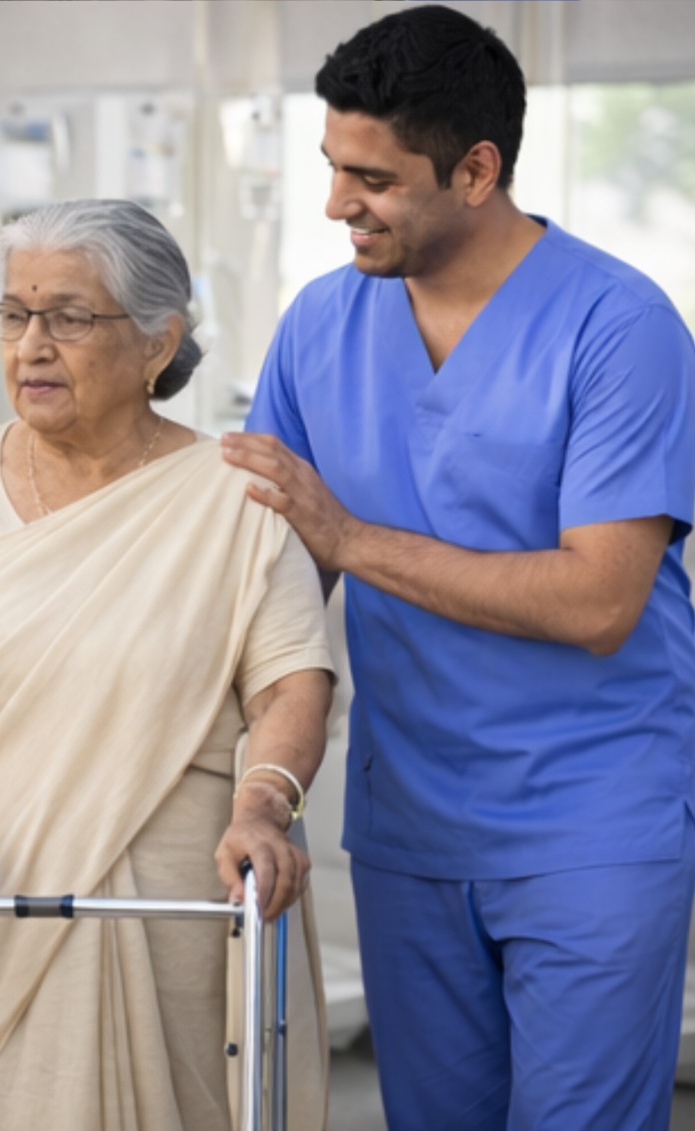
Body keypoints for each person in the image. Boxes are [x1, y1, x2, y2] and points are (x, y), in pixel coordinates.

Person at [222, 7, 695, 1130]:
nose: (338, 202)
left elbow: (597, 599)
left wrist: (351, 540)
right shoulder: (320, 324)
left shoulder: (616, 326)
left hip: (589, 822)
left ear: (477, 170)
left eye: (372, 178)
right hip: (408, 825)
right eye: (333, 167)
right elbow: (272, 580)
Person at [0, 198, 334, 1131]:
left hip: (175, 903)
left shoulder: (236, 495)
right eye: (14, 315)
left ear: (156, 342)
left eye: (69, 317)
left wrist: (264, 807)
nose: (31, 345)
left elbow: (292, 681)